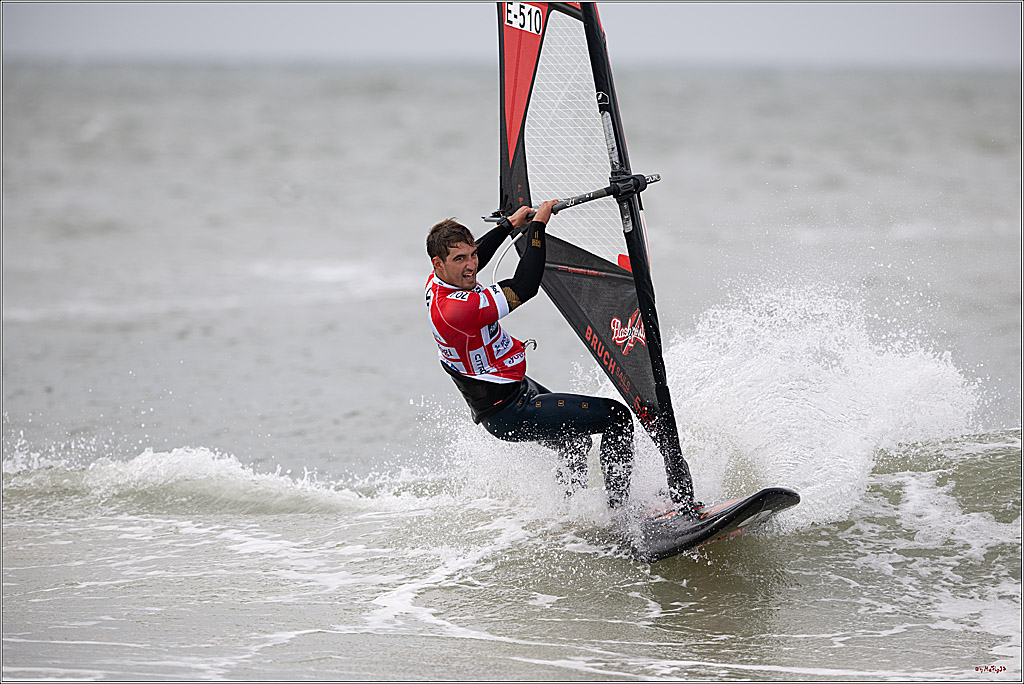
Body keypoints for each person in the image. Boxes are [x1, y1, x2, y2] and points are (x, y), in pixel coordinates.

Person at [425, 200, 634, 509]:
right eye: (460, 259)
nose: (471, 266)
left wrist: (509, 225)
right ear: (437, 264)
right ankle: (623, 518)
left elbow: (477, 255)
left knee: (574, 440)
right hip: (508, 412)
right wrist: (538, 228)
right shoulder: (456, 309)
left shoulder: (443, 280)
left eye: (471, 256)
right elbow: (525, 286)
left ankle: (571, 515)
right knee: (617, 417)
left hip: (515, 391)